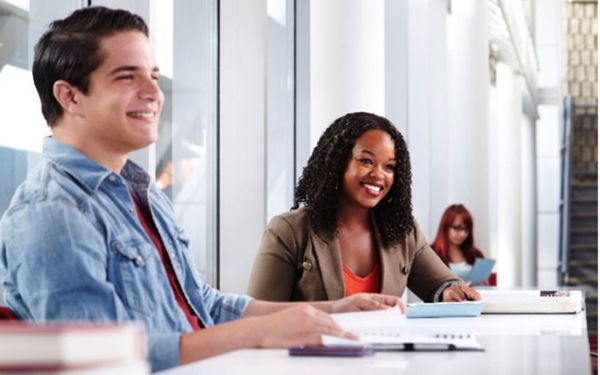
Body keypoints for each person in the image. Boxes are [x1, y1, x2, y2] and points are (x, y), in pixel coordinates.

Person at [0, 7, 403, 372]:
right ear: (69, 96)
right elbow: (101, 358)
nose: (154, 93)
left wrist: (333, 309)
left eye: (153, 76)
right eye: (128, 77)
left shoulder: (143, 195)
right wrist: (260, 333)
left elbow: (202, 305)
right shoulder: (52, 212)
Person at [248, 112, 481, 303]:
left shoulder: (402, 231)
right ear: (338, 163)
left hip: (383, 358)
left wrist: (450, 292)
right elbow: (258, 316)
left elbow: (441, 284)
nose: (378, 175)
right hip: (310, 357)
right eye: (366, 161)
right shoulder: (289, 230)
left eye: (389, 167)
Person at [431, 204, 487, 284]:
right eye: (457, 228)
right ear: (445, 227)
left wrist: (484, 285)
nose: (462, 234)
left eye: (466, 229)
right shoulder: (432, 254)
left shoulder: (476, 255)